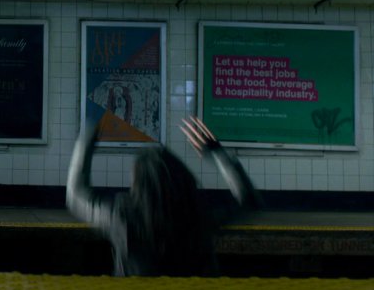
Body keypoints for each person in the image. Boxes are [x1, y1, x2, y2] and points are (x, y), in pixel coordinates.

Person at [65, 116, 260, 276]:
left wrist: (86, 140)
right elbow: (248, 201)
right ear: (183, 178)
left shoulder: (121, 214)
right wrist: (217, 153)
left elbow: (75, 196)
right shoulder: (200, 212)